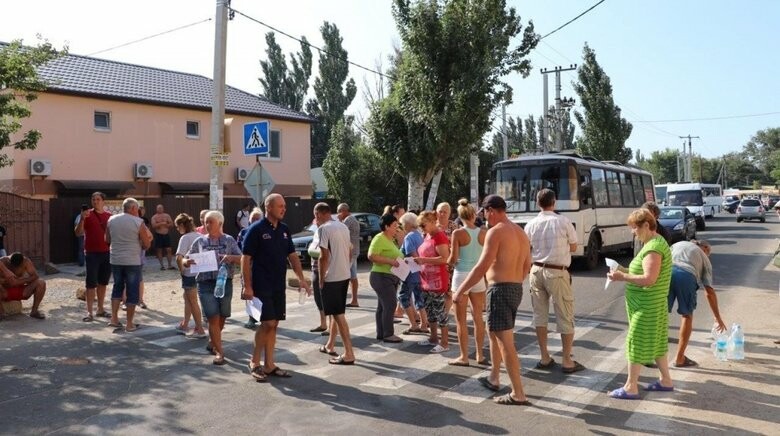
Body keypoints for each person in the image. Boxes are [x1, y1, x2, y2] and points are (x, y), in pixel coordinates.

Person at [455, 194, 532, 406]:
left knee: (506, 342)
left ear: (491, 211)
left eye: (485, 213)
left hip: (500, 289)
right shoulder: (520, 232)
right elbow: (527, 265)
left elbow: (481, 266)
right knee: (495, 334)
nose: (485, 218)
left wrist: (460, 290)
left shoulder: (495, 232)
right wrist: (513, 279)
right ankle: (494, 376)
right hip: (515, 288)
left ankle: (518, 393)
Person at [241, 194, 311, 381]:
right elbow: (245, 259)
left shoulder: (285, 230)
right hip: (261, 284)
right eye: (280, 206)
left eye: (285, 206)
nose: (284, 209)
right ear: (269, 207)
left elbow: (293, 256)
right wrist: (247, 286)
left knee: (274, 324)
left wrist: (301, 279)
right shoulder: (255, 229)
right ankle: (254, 362)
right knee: (267, 323)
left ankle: (269, 364)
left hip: (278, 285)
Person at [607, 208, 674, 399]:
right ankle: (666, 380)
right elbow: (642, 272)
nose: (632, 231)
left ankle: (630, 386)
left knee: (635, 343)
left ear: (646, 225)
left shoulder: (653, 247)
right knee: (659, 343)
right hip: (653, 304)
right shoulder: (654, 243)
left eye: (635, 227)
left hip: (647, 306)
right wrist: (620, 270)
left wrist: (622, 277)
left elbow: (649, 279)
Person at [524, 189, 585, 374]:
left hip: (536, 270)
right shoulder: (563, 221)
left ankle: (544, 357)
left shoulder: (531, 224)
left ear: (537, 203)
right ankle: (567, 360)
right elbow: (574, 246)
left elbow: (527, 248)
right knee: (565, 314)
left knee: (540, 315)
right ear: (554, 202)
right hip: (557, 271)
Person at [184, 211, 242, 365]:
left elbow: (242, 259)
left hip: (224, 283)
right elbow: (186, 258)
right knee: (212, 318)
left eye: (211, 222)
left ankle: (213, 341)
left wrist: (231, 258)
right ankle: (219, 352)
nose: (207, 225)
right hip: (205, 284)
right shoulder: (199, 241)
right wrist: (186, 262)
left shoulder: (229, 240)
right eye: (206, 222)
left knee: (222, 316)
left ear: (220, 224)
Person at [668, 239, 726, 368]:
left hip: (665, 272)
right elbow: (709, 291)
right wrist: (718, 318)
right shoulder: (704, 257)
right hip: (686, 275)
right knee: (687, 316)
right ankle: (679, 358)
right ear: (705, 248)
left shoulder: (678, 244)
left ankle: (650, 354)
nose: (708, 255)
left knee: (660, 313)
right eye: (709, 252)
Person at [314, 203, 356, 365]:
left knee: (338, 315)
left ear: (319, 214)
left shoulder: (324, 229)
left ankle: (349, 353)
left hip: (331, 277)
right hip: (344, 274)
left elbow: (323, 256)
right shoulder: (343, 226)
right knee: (335, 312)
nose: (316, 219)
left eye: (316, 216)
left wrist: (322, 278)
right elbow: (350, 250)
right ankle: (330, 344)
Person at [448, 199, 487, 366]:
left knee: (461, 320)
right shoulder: (483, 233)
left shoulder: (457, 234)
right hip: (478, 276)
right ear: (473, 215)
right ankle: (480, 354)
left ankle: (464, 356)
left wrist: (448, 260)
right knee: (478, 317)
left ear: (460, 216)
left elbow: (453, 259)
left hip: (461, 275)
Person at [106, 198, 153, 333]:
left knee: (117, 287)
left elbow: (107, 240)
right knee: (132, 291)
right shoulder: (139, 222)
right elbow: (147, 244)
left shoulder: (111, 220)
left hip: (115, 259)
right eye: (137, 209)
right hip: (132, 260)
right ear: (133, 208)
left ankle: (114, 319)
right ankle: (129, 324)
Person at [414, 211, 451, 353]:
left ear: (431, 221)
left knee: (440, 312)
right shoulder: (427, 235)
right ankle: (433, 338)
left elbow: (444, 258)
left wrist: (423, 260)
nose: (421, 228)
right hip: (426, 280)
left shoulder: (439, 236)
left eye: (423, 225)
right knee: (430, 311)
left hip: (437, 281)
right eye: (419, 226)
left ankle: (445, 342)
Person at [75, 192, 112, 322]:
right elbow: (78, 233)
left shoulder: (110, 217)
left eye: (98, 199)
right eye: (93, 199)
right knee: (90, 284)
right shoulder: (87, 215)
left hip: (107, 253)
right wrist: (82, 218)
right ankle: (89, 312)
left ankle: (100, 309)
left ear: (103, 201)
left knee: (103, 282)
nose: (95, 201)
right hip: (91, 254)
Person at [367, 214, 404, 343]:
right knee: (390, 304)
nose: (397, 228)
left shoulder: (390, 240)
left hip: (389, 277)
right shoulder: (379, 238)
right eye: (394, 226)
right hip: (381, 276)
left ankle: (382, 333)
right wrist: (390, 261)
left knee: (383, 306)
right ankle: (388, 334)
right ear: (387, 226)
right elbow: (371, 256)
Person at [174, 213, 207, 338]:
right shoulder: (200, 235)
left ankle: (199, 329)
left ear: (182, 225)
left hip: (189, 273)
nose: (177, 230)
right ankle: (185, 324)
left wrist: (181, 270)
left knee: (192, 301)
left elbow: (179, 257)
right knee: (187, 298)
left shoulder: (185, 238)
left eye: (178, 227)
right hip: (200, 272)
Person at [398, 212, 428, 335]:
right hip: (420, 273)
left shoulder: (409, 237)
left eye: (403, 224)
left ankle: (413, 324)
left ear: (408, 224)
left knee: (403, 297)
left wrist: (404, 259)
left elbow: (412, 254)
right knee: (419, 298)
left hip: (410, 272)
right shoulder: (420, 235)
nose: (402, 226)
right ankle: (424, 324)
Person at [237, 207, 263, 330]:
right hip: (248, 265)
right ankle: (251, 318)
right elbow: (238, 249)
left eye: (258, 219)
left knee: (262, 291)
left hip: (262, 266)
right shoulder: (243, 232)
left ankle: (264, 316)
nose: (255, 221)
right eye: (253, 218)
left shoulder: (265, 231)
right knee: (248, 290)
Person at [0, 252, 47, 320]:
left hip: (22, 291)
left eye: (18, 267)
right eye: (13, 266)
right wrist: (4, 280)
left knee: (41, 282)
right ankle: (1, 314)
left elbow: (35, 276)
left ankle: (34, 311)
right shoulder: (2, 261)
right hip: (4, 292)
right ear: (9, 261)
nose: (15, 268)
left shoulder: (26, 262)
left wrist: (18, 281)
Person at [337, 203, 361, 308]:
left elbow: (339, 231)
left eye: (339, 212)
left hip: (349, 253)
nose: (338, 214)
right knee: (353, 276)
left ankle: (341, 299)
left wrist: (338, 221)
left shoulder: (348, 220)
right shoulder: (353, 219)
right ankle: (354, 300)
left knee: (344, 276)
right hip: (353, 251)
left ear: (344, 211)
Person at [151, 204, 175, 270]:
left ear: (163, 209)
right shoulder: (154, 217)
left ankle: (170, 265)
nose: (160, 209)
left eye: (161, 208)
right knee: (159, 250)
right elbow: (153, 226)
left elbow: (171, 224)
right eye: (158, 208)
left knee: (169, 250)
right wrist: (161, 223)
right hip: (158, 235)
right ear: (156, 209)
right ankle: (162, 266)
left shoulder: (167, 215)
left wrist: (166, 224)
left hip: (166, 234)